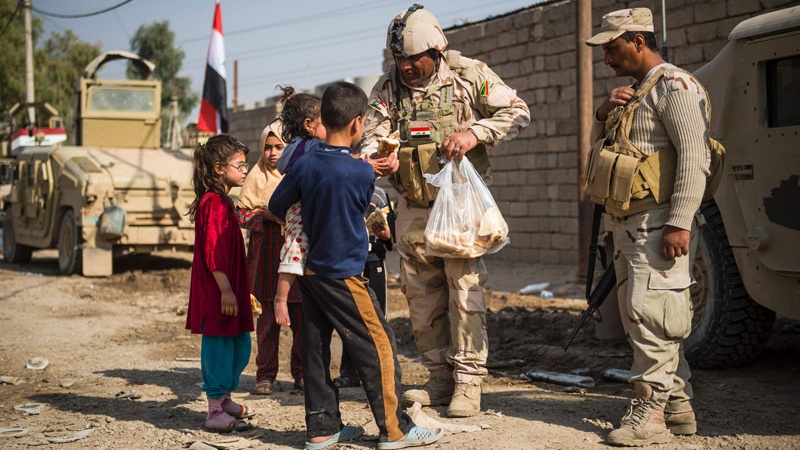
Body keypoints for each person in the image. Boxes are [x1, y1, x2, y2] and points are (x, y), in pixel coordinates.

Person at [357, 4, 530, 418]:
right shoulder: (387, 89)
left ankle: (468, 384)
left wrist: (475, 133)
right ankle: (438, 378)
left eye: (414, 58)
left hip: (458, 208)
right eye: (399, 59)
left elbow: (518, 111)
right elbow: (368, 137)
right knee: (422, 301)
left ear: (436, 50)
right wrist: (377, 159)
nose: (406, 66)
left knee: (465, 294)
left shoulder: (468, 75)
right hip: (413, 209)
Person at [269, 81, 443, 450]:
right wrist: (373, 170)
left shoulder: (305, 165)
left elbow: (276, 204)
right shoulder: (361, 172)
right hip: (344, 274)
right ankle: (395, 429)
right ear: (358, 124)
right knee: (379, 343)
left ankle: (322, 428)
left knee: (315, 350)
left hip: (311, 272)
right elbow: (361, 197)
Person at [584, 7, 709, 446]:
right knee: (643, 316)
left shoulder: (675, 85)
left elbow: (696, 159)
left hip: (658, 223)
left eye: (613, 48)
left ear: (639, 40)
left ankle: (650, 413)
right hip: (628, 222)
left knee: (651, 313)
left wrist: (679, 223)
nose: (607, 60)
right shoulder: (637, 91)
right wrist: (603, 112)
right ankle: (677, 408)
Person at [186, 134, 256, 433]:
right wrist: (226, 290)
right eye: (239, 165)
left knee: (238, 342)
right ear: (218, 168)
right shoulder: (212, 203)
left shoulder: (224, 201)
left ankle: (225, 397)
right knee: (218, 344)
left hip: (231, 287)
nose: (245, 170)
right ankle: (215, 409)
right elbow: (213, 250)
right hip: (218, 290)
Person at [236, 119, 303, 396]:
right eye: (267, 148)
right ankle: (265, 375)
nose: (273, 154)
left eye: (279, 147)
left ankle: (301, 375)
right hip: (264, 258)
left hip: (296, 255)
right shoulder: (255, 177)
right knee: (265, 323)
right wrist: (266, 214)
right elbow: (241, 213)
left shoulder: (298, 174)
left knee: (300, 320)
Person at [271, 87, 326, 334]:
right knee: (294, 249)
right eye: (324, 121)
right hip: (299, 208)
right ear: (309, 125)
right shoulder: (311, 147)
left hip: (300, 205)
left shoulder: (295, 146)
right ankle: (280, 298)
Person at [334, 186, 394, 389]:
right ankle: (349, 373)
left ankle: (378, 373)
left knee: (377, 317)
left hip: (373, 259)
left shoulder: (380, 195)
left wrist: (385, 233)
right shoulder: (343, 189)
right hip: (349, 261)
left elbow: (390, 235)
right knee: (351, 317)